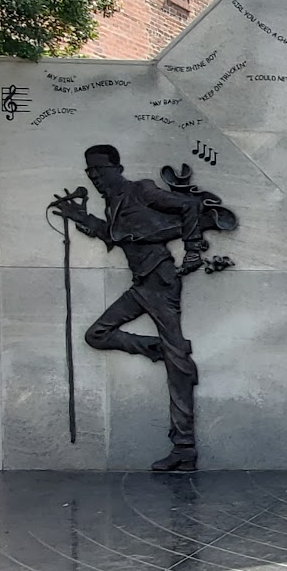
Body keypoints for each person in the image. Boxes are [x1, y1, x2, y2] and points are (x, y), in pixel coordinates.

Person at [50, 146, 235, 472]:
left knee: (176, 368)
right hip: (142, 286)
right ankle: (163, 349)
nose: (94, 178)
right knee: (97, 334)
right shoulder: (112, 204)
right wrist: (82, 218)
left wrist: (192, 251)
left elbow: (189, 205)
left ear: (117, 168)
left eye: (99, 171)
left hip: (160, 283)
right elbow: (118, 235)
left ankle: (184, 447)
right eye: (90, 173)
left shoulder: (142, 190)